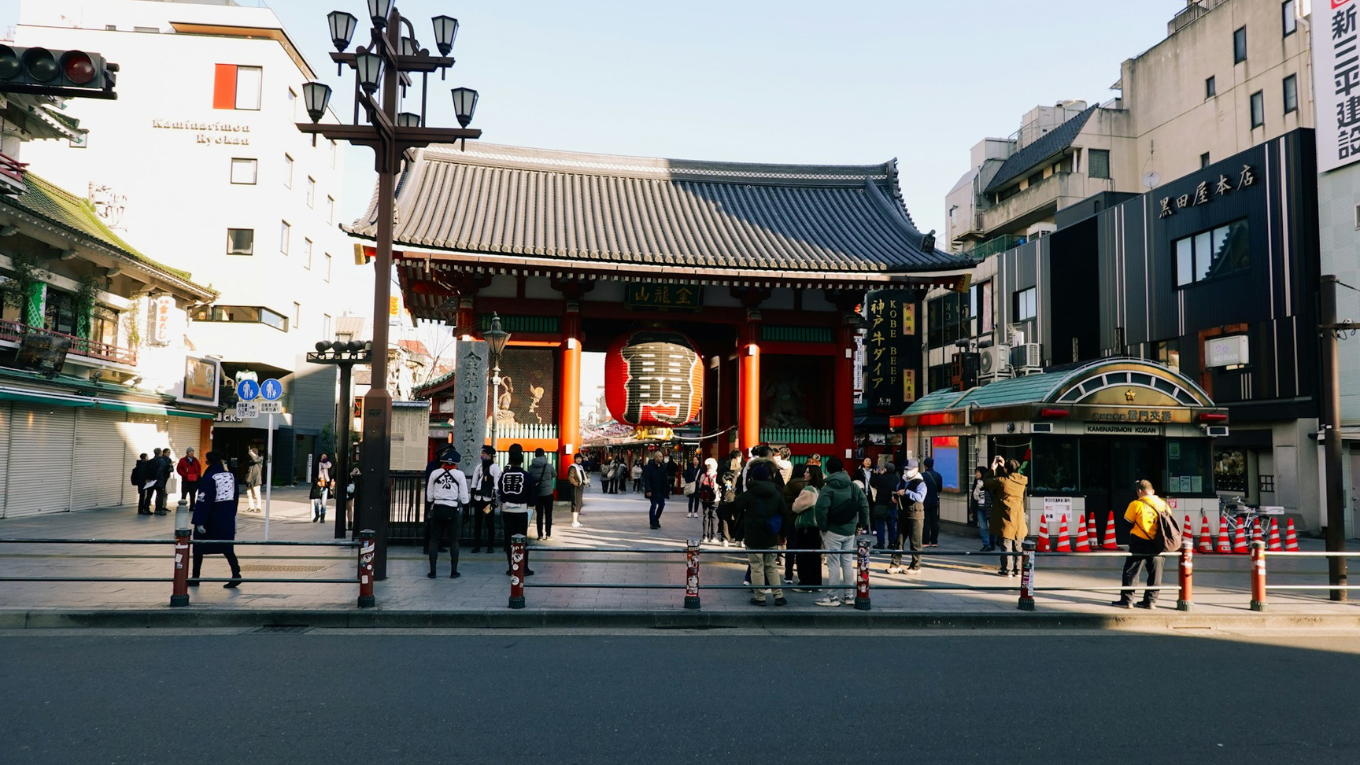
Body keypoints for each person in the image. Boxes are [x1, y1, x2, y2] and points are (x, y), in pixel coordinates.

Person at [813, 456, 869, 607]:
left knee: (833, 563)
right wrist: (861, 525)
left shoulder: (828, 488)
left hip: (833, 530)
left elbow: (821, 509)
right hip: (849, 530)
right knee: (847, 563)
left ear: (828, 470)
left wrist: (823, 527)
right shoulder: (853, 486)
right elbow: (864, 505)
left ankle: (832, 597)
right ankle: (849, 595)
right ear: (843, 468)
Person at [731, 464, 789, 606]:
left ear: (753, 478)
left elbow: (735, 505)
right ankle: (778, 596)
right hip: (771, 534)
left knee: (757, 566)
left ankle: (760, 597)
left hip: (753, 535)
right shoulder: (776, 493)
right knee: (771, 566)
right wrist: (784, 534)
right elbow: (785, 513)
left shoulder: (749, 494)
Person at [1113, 479, 1169, 609]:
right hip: (1159, 543)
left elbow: (1127, 523)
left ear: (1139, 491)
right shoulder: (1163, 504)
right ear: (1153, 491)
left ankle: (1127, 600)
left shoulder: (1135, 504)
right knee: (1156, 573)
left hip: (1139, 541)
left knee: (1131, 571)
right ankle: (1150, 601)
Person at [190, 451, 242, 589]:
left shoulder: (210, 477)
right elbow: (235, 497)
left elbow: (204, 500)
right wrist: (232, 515)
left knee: (199, 548)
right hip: (226, 518)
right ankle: (236, 574)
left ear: (209, 462)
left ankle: (195, 577)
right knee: (227, 547)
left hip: (210, 519)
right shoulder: (230, 476)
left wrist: (199, 521)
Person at [425, 449, 469, 579]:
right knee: (454, 541)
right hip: (452, 508)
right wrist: (466, 510)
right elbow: (464, 496)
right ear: (456, 463)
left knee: (434, 541)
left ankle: (433, 571)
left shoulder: (434, 473)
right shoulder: (459, 475)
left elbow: (429, 496)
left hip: (438, 508)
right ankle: (453, 571)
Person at [985, 457, 1029, 578]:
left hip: (1005, 517)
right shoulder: (1022, 481)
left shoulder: (1002, 481)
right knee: (1018, 545)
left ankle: (1007, 570)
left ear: (1005, 469)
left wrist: (992, 469)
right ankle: (1019, 570)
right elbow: (1013, 476)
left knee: (1006, 544)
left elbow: (988, 482)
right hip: (1019, 517)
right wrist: (1007, 468)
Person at [497, 444, 535, 576]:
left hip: (507, 510)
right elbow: (531, 496)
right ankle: (523, 567)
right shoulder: (527, 476)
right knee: (522, 538)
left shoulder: (503, 476)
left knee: (509, 539)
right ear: (522, 461)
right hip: (521, 510)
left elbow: (499, 492)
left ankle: (511, 566)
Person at [788, 464, 822, 593]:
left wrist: (795, 501)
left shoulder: (808, 490)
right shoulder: (820, 489)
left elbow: (796, 507)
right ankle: (815, 583)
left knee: (803, 557)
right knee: (815, 557)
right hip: (816, 526)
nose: (805, 474)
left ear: (812, 475)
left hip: (806, 526)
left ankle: (805, 583)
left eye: (808, 472)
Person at [889, 460, 927, 574]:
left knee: (915, 542)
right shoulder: (902, 480)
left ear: (916, 469)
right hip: (902, 514)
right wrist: (895, 497)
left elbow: (920, 497)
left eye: (909, 469)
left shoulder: (921, 482)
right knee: (898, 541)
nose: (907, 471)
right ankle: (895, 564)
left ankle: (916, 566)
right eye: (906, 469)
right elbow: (897, 491)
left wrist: (906, 492)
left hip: (915, 515)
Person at [469, 446, 501, 553]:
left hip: (488, 501)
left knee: (489, 522)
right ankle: (477, 545)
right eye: (482, 453)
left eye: (484, 453)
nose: (482, 455)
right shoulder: (478, 467)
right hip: (478, 499)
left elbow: (497, 485)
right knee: (477, 522)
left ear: (490, 455)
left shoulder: (495, 468)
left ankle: (490, 545)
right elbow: (474, 483)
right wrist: (472, 497)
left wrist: (494, 500)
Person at [870, 462, 899, 550]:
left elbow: (872, 483)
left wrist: (875, 474)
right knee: (892, 526)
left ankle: (880, 544)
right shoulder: (896, 479)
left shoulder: (881, 478)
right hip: (892, 505)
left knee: (880, 525)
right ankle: (892, 543)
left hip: (881, 505)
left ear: (885, 469)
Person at [529, 447, 556, 540]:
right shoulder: (549, 466)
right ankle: (548, 535)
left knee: (539, 515)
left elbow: (530, 478)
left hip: (538, 494)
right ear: (544, 455)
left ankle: (539, 535)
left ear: (535, 456)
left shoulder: (531, 467)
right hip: (548, 493)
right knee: (548, 514)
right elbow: (554, 474)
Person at [642, 451, 669, 529]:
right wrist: (648, 490)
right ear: (656, 457)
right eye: (660, 457)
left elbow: (665, 479)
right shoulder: (649, 467)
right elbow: (646, 479)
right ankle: (652, 523)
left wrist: (668, 488)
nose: (661, 458)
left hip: (661, 490)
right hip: (653, 491)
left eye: (662, 457)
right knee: (653, 505)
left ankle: (656, 519)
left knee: (662, 505)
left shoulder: (662, 467)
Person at [922, 457, 943, 547]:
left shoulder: (922, 475)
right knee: (934, 520)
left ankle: (925, 541)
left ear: (925, 465)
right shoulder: (938, 475)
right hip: (934, 499)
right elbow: (939, 489)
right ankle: (934, 541)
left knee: (925, 520)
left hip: (925, 500)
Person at [972, 466, 995, 552]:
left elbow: (993, 495)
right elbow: (973, 497)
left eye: (978, 472)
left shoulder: (988, 483)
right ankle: (986, 544)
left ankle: (992, 543)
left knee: (992, 527)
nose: (976, 474)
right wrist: (972, 509)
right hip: (979, 508)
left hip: (988, 507)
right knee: (983, 527)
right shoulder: (976, 482)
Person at [698, 458, 720, 542]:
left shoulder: (703, 475)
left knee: (705, 517)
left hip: (704, 499)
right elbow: (717, 487)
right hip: (715, 499)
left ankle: (705, 536)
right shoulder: (716, 475)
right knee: (714, 517)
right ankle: (714, 536)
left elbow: (700, 486)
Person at [567, 452, 587, 528]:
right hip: (575, 488)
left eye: (580, 458)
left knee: (579, 503)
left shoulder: (580, 467)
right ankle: (574, 521)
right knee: (576, 503)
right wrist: (576, 484)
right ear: (575, 459)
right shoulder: (572, 467)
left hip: (580, 487)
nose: (579, 460)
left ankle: (576, 520)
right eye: (577, 458)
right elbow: (570, 478)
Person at [152, 448, 173, 514]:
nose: (169, 454)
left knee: (162, 493)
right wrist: (169, 466)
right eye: (168, 452)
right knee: (161, 493)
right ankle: (159, 508)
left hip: (161, 478)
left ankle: (161, 506)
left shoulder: (154, 460)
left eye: (169, 452)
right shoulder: (163, 460)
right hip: (162, 479)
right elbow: (162, 469)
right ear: (163, 453)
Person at [244, 447, 264, 513]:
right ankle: (251, 507)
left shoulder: (260, 458)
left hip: (256, 479)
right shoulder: (250, 460)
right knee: (249, 494)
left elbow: (255, 460)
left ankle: (258, 507)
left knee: (256, 494)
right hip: (250, 479)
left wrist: (251, 453)